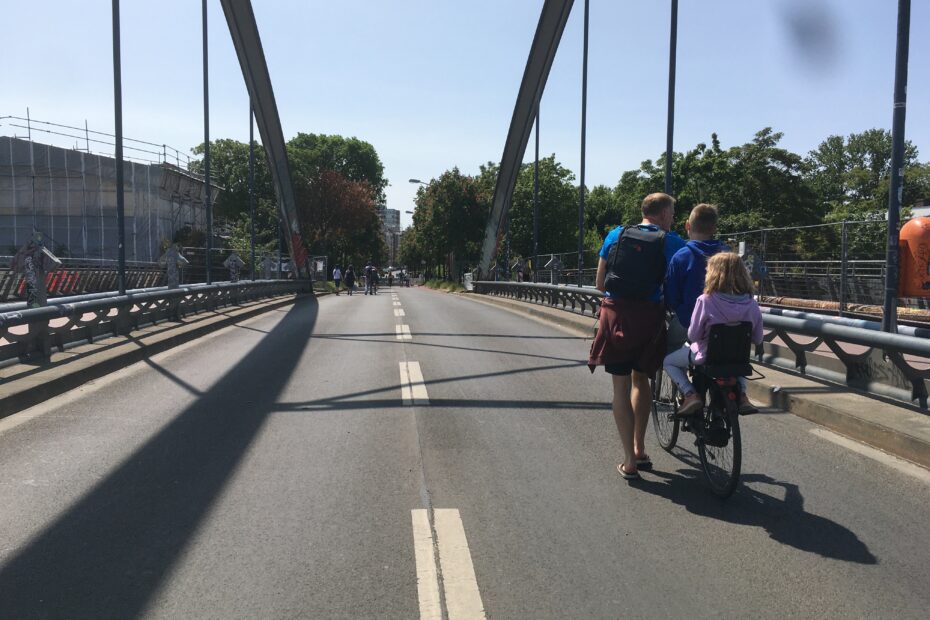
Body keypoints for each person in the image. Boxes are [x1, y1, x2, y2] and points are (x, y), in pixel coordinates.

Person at [588, 192, 686, 480]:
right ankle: (640, 448)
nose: (673, 218)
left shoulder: (615, 235)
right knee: (640, 379)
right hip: (648, 318)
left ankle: (629, 461)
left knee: (619, 387)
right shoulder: (671, 241)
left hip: (614, 315)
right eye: (672, 213)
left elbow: (599, 282)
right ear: (664, 214)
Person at [663, 252, 763, 416]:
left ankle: (690, 394)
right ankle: (743, 395)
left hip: (707, 355)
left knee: (668, 362)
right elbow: (758, 338)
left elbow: (694, 335)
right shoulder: (752, 303)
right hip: (736, 357)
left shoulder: (705, 300)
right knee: (740, 360)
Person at [665, 204, 728, 351]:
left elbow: (672, 296)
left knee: (669, 351)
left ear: (688, 225)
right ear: (714, 228)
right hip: (723, 322)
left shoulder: (681, 256)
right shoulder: (727, 254)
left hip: (689, 320)